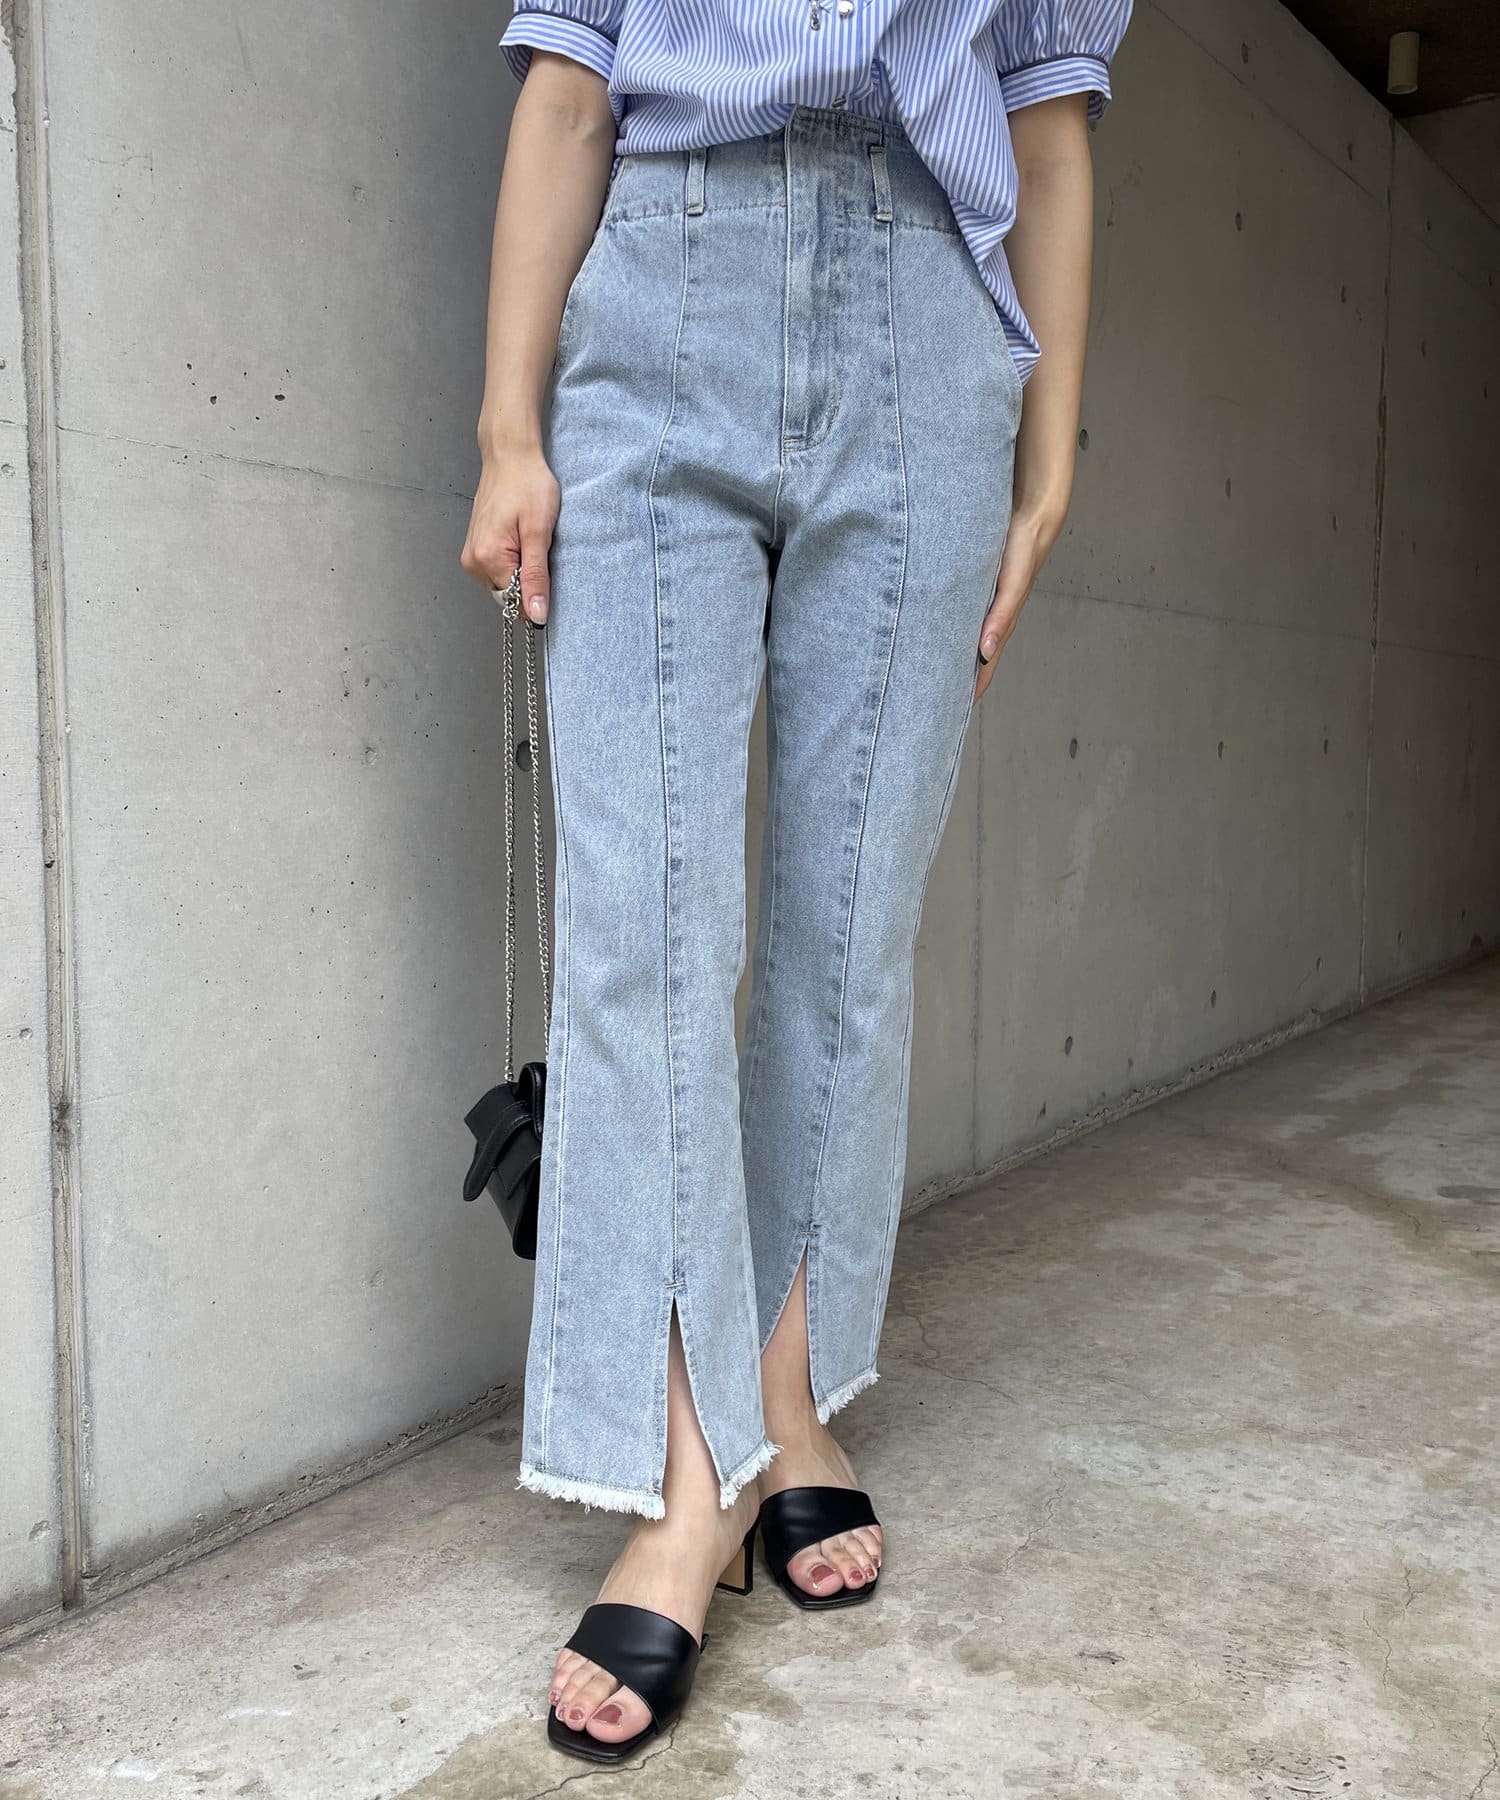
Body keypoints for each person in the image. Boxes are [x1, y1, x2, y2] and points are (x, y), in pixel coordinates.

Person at [461, 0, 1134, 1764]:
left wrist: (1052, 449)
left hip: (929, 318)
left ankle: (786, 1387)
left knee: (850, 937)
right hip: (663, 286)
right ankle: (692, 1485)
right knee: (647, 939)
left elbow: (1047, 119)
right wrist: (508, 424)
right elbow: (570, 76)